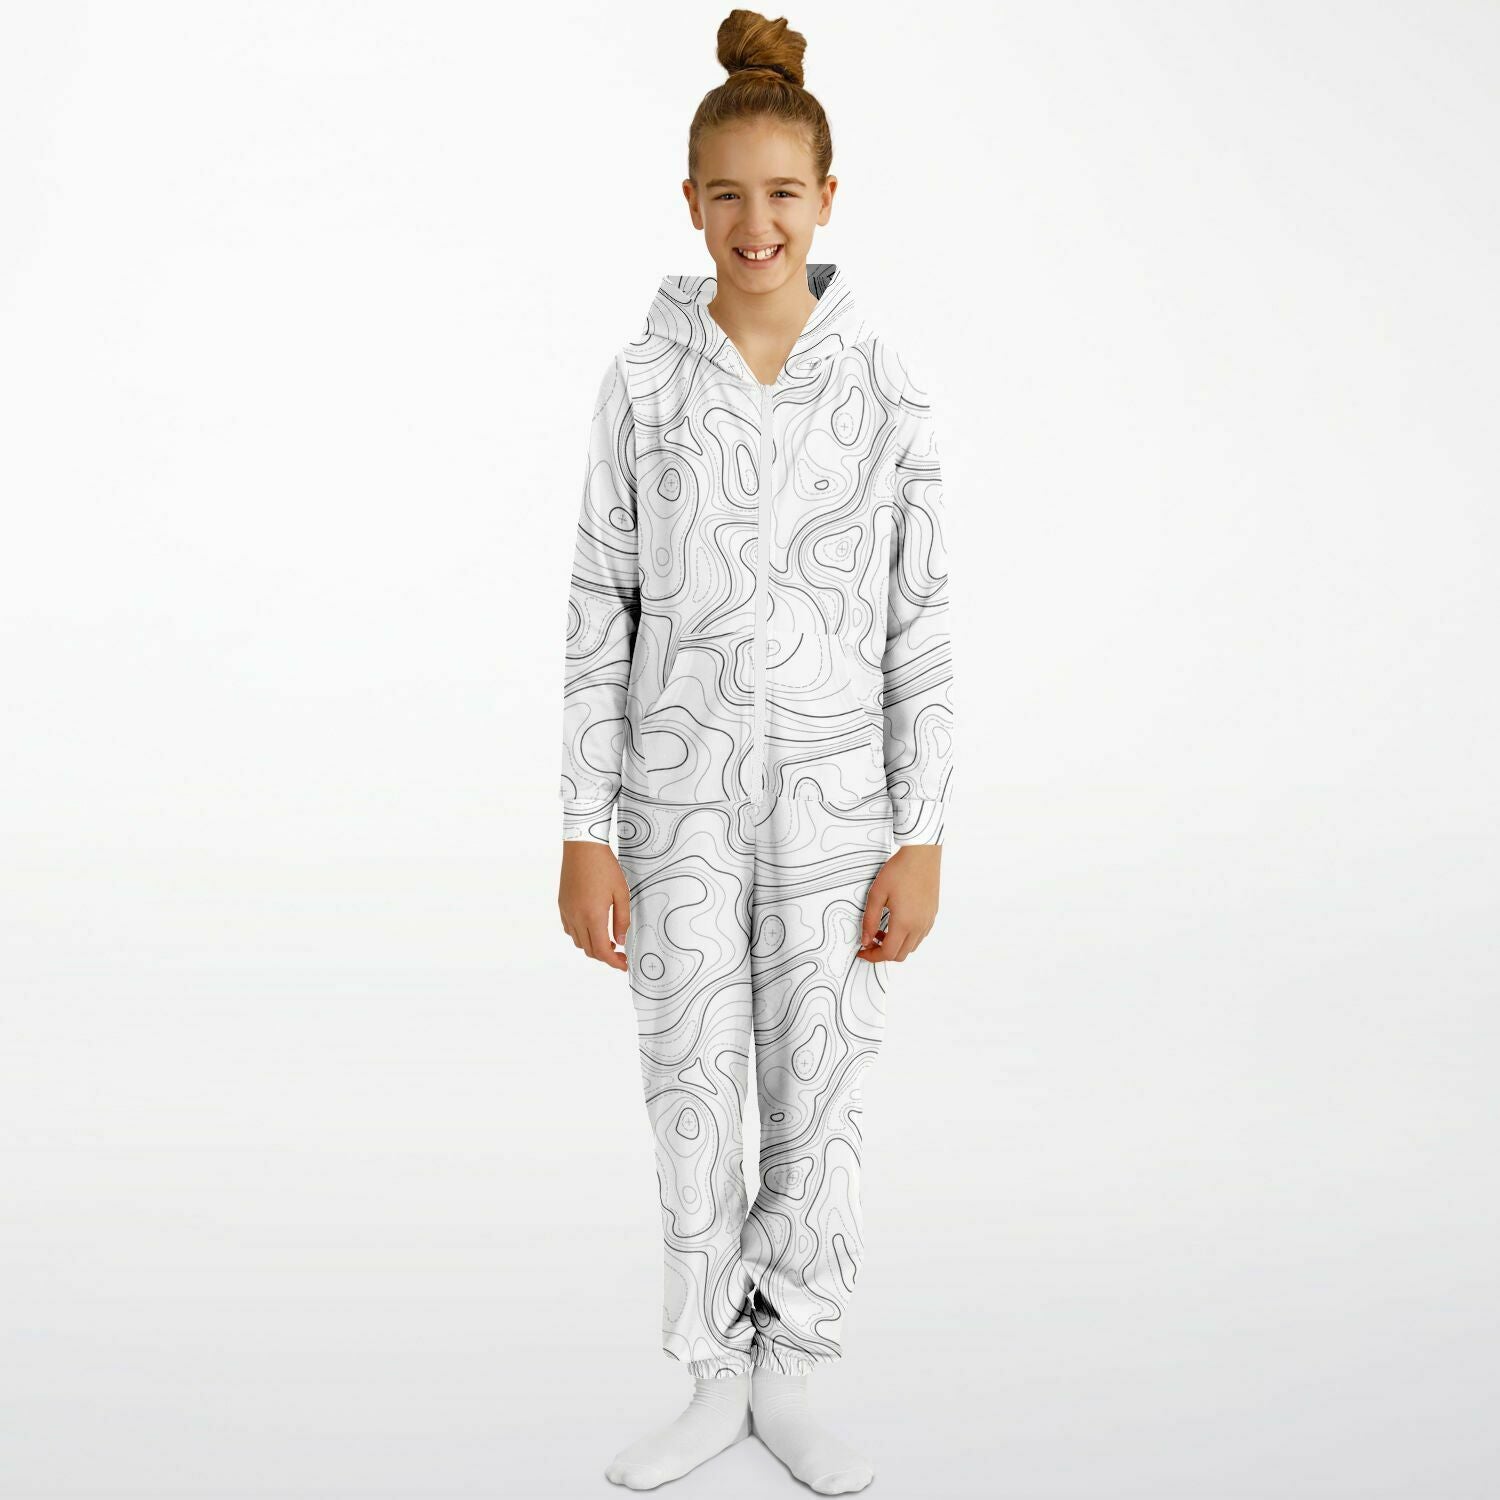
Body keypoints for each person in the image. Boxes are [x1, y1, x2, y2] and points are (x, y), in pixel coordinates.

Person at [557, 9, 956, 1492]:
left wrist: (922, 831)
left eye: (783, 192)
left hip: (840, 803)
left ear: (827, 200)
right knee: (691, 1082)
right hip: (673, 801)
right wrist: (582, 823)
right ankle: (709, 1374)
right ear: (689, 202)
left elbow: (921, 618)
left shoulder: (885, 384)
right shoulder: (644, 382)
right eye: (727, 194)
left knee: (819, 1088)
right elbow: (600, 606)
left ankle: (792, 1368)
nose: (756, 222)